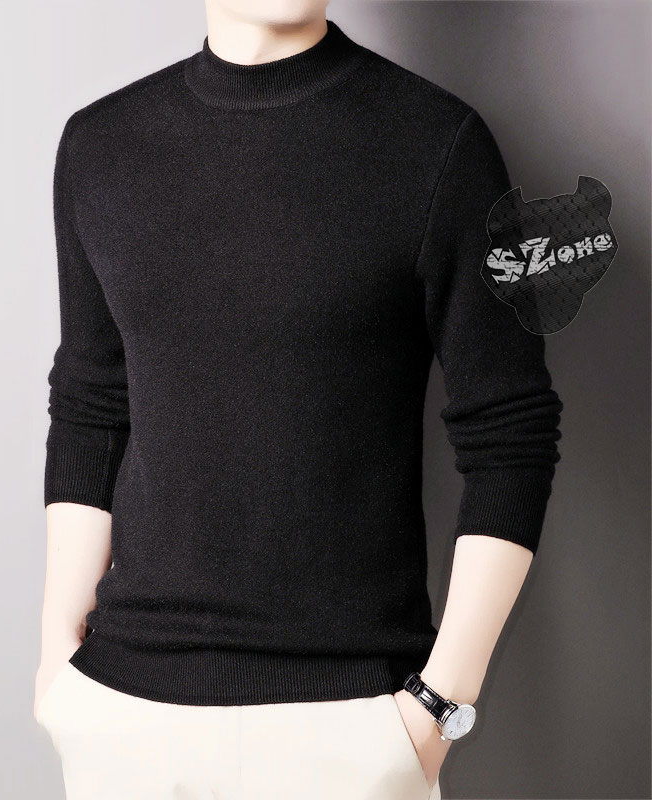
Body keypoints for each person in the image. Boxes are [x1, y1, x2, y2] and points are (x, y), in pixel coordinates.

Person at [33, 2, 563, 798]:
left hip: (350, 724)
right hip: (123, 712)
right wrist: (57, 661)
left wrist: (436, 707)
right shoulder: (101, 144)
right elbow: (91, 404)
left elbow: (511, 430)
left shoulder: (438, 143)